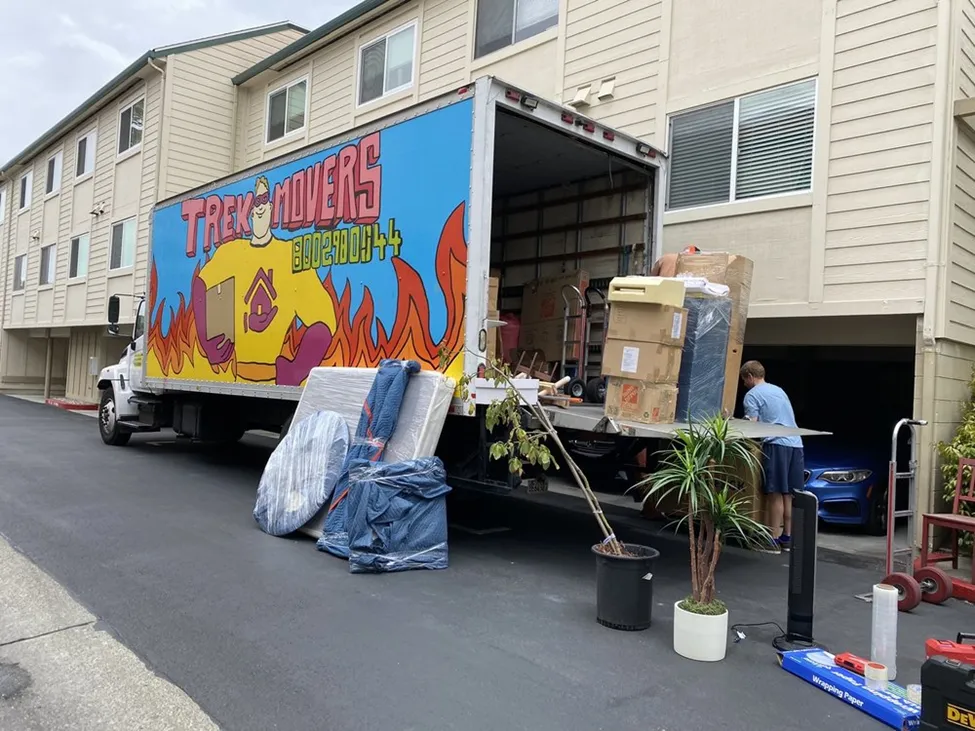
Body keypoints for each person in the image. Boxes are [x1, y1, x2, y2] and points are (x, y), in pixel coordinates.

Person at [740, 360, 804, 553]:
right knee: (789, 495)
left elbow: (752, 424)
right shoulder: (779, 390)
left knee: (774, 492)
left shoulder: (752, 395)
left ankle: (773, 539)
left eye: (744, 380)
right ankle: (787, 538)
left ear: (750, 377)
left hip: (776, 444)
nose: (744, 384)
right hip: (796, 443)